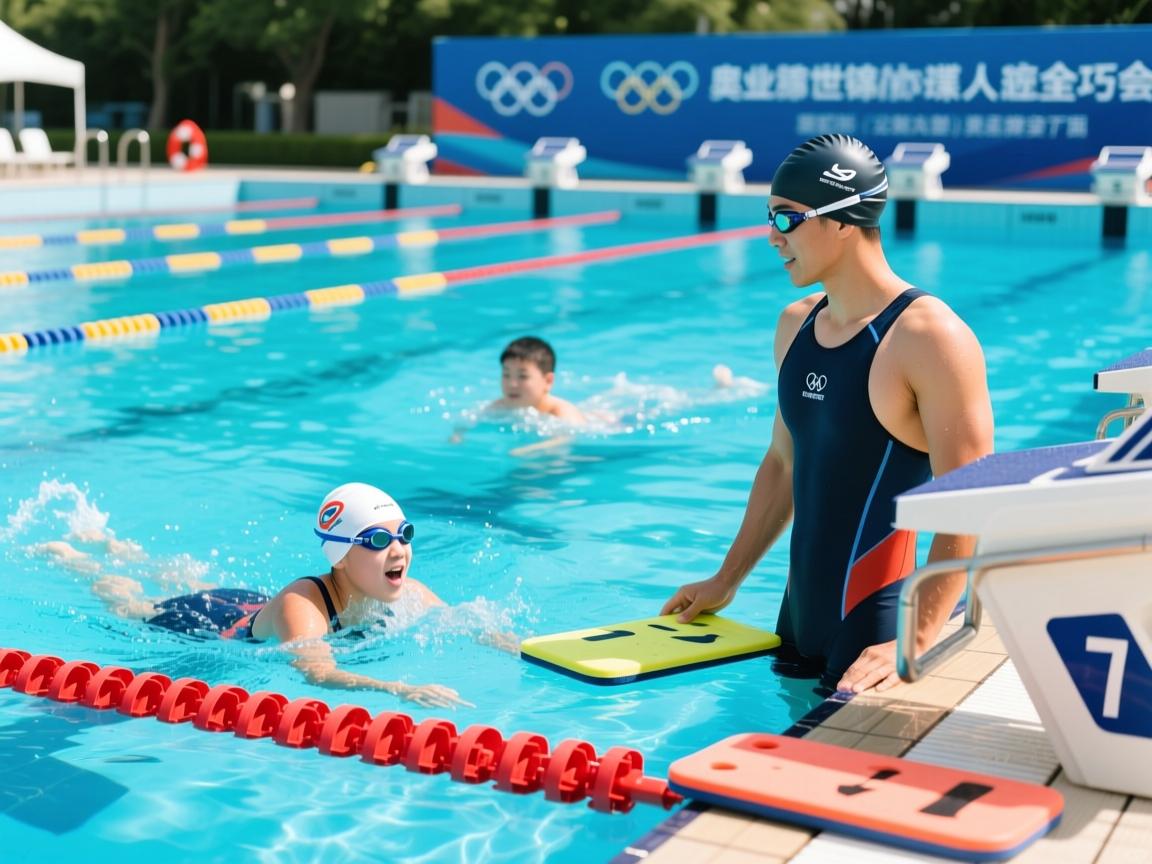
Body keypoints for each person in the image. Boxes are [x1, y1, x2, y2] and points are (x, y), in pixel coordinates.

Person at [661, 134, 994, 694]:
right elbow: (783, 463)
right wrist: (727, 579)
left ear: (844, 220)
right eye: (768, 218)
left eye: (787, 220)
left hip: (880, 629)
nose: (771, 237)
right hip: (797, 618)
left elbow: (973, 500)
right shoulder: (795, 325)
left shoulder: (928, 337)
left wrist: (915, 637)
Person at [94, 482, 473, 708]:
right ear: (339, 557)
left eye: (403, 535)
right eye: (377, 540)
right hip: (208, 623)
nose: (398, 550)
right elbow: (317, 672)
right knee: (131, 607)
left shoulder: (406, 590)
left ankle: (121, 549)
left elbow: (467, 622)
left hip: (251, 603)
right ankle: (85, 561)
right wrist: (400, 690)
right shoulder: (303, 605)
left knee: (182, 579)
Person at [487, 336, 586, 424]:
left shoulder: (563, 413)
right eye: (506, 374)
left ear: (548, 381)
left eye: (523, 376)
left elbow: (564, 440)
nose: (512, 384)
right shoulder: (499, 406)